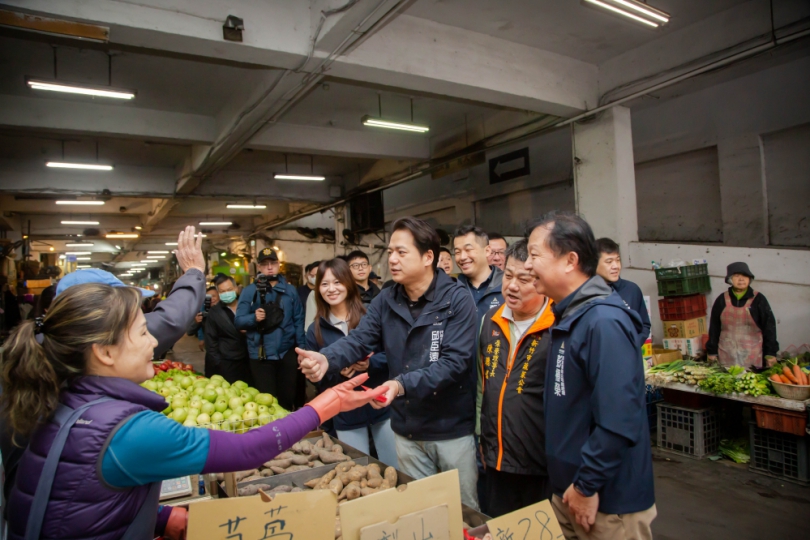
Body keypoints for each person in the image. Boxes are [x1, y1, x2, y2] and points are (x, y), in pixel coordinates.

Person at [1, 282, 385, 540]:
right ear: (103, 352)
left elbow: (80, 495)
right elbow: (246, 450)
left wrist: (162, 517)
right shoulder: (125, 430)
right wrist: (325, 404)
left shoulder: (62, 399)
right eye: (141, 332)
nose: (154, 340)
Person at [0, 226, 207, 517]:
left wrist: (158, 518)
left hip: (34, 507)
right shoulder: (96, 407)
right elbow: (169, 321)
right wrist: (194, 272)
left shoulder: (37, 348)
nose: (149, 339)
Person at [297, 217, 480, 510]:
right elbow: (359, 340)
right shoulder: (387, 299)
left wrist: (399, 384)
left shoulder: (456, 300)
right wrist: (326, 358)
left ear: (428, 257)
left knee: (463, 510)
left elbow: (455, 363)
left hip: (450, 430)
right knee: (422, 509)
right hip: (406, 429)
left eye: (401, 252)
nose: (391, 259)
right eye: (390, 251)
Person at [525, 211, 655, 539]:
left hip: (606, 501)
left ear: (570, 260)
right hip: (572, 491)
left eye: (534, 255)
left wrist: (586, 485)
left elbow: (619, 419)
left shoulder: (603, 322)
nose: (527, 265)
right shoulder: (572, 316)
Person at [478, 239, 554, 517]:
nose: (511, 285)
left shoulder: (558, 326)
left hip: (541, 463)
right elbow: (482, 385)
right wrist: (483, 438)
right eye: (508, 275)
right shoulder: (491, 320)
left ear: (542, 281)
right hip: (497, 458)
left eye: (523, 279)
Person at [307, 259, 397, 466]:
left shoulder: (370, 316)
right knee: (357, 470)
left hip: (381, 404)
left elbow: (393, 354)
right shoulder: (316, 330)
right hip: (345, 413)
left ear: (348, 283)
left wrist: (370, 364)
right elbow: (318, 382)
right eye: (324, 284)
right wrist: (335, 371)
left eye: (337, 282)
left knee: (395, 467)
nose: (331, 289)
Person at [235, 247, 305, 410]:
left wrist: (301, 350)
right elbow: (238, 321)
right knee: (266, 400)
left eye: (273, 263)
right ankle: (270, 434)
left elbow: (298, 321)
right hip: (261, 354)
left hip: (286, 352)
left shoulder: (290, 291)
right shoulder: (250, 291)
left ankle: (288, 433)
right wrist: (254, 318)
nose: (269, 267)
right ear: (258, 267)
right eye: (264, 264)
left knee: (288, 397)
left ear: (279, 265)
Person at [706, 262, 778, 369]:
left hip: (752, 354)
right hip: (726, 353)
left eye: (745, 276)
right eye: (736, 276)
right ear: (730, 279)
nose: (741, 279)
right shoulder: (722, 299)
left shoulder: (758, 299)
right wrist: (712, 352)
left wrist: (770, 353)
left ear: (749, 279)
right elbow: (714, 328)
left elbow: (769, 328)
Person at [594, 238, 652, 348]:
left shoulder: (632, 290)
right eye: (609, 262)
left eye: (618, 260)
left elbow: (644, 324)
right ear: (594, 264)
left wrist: (633, 344)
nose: (616, 266)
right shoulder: (586, 293)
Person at [204, 275, 253, 385]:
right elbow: (211, 341)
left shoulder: (248, 305)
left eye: (229, 290)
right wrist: (218, 363)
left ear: (236, 288)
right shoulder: (214, 312)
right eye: (222, 291)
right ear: (219, 293)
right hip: (228, 362)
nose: (226, 293)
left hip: (250, 359)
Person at [454, 225, 504, 323]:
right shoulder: (452, 288)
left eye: (468, 250)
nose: (462, 257)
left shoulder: (506, 284)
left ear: (487, 251)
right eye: (457, 252)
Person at [187, 285, 220, 356]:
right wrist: (196, 322)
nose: (212, 299)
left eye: (214, 296)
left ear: (219, 297)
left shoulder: (227, 312)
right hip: (211, 354)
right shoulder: (204, 314)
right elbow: (189, 332)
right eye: (209, 297)